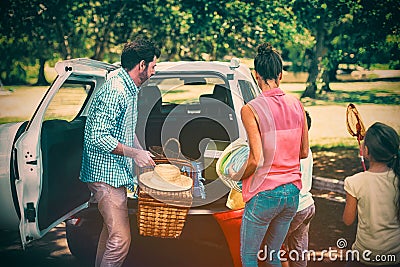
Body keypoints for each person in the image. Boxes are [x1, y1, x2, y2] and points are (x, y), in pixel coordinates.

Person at [80, 37, 160, 267]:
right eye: (153, 66)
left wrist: (140, 151)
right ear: (142, 65)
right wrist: (134, 155)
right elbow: (97, 136)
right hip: (104, 175)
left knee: (111, 234)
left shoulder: (129, 88)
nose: (154, 72)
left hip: (116, 173)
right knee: (121, 238)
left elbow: (124, 129)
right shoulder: (116, 91)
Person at [228, 42, 309, 267]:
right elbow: (303, 151)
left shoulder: (251, 109)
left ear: (256, 75)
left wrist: (237, 175)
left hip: (265, 195)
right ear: (280, 74)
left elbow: (256, 159)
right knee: (273, 254)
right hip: (292, 194)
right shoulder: (297, 105)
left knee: (250, 257)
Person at [343, 122, 400, 267]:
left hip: (364, 257)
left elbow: (348, 220)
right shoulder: (397, 179)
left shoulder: (354, 182)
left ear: (366, 151)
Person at [282, 110, 315, 267]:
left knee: (274, 246)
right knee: (299, 249)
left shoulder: (289, 152)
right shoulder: (307, 150)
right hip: (307, 205)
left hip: (293, 209)